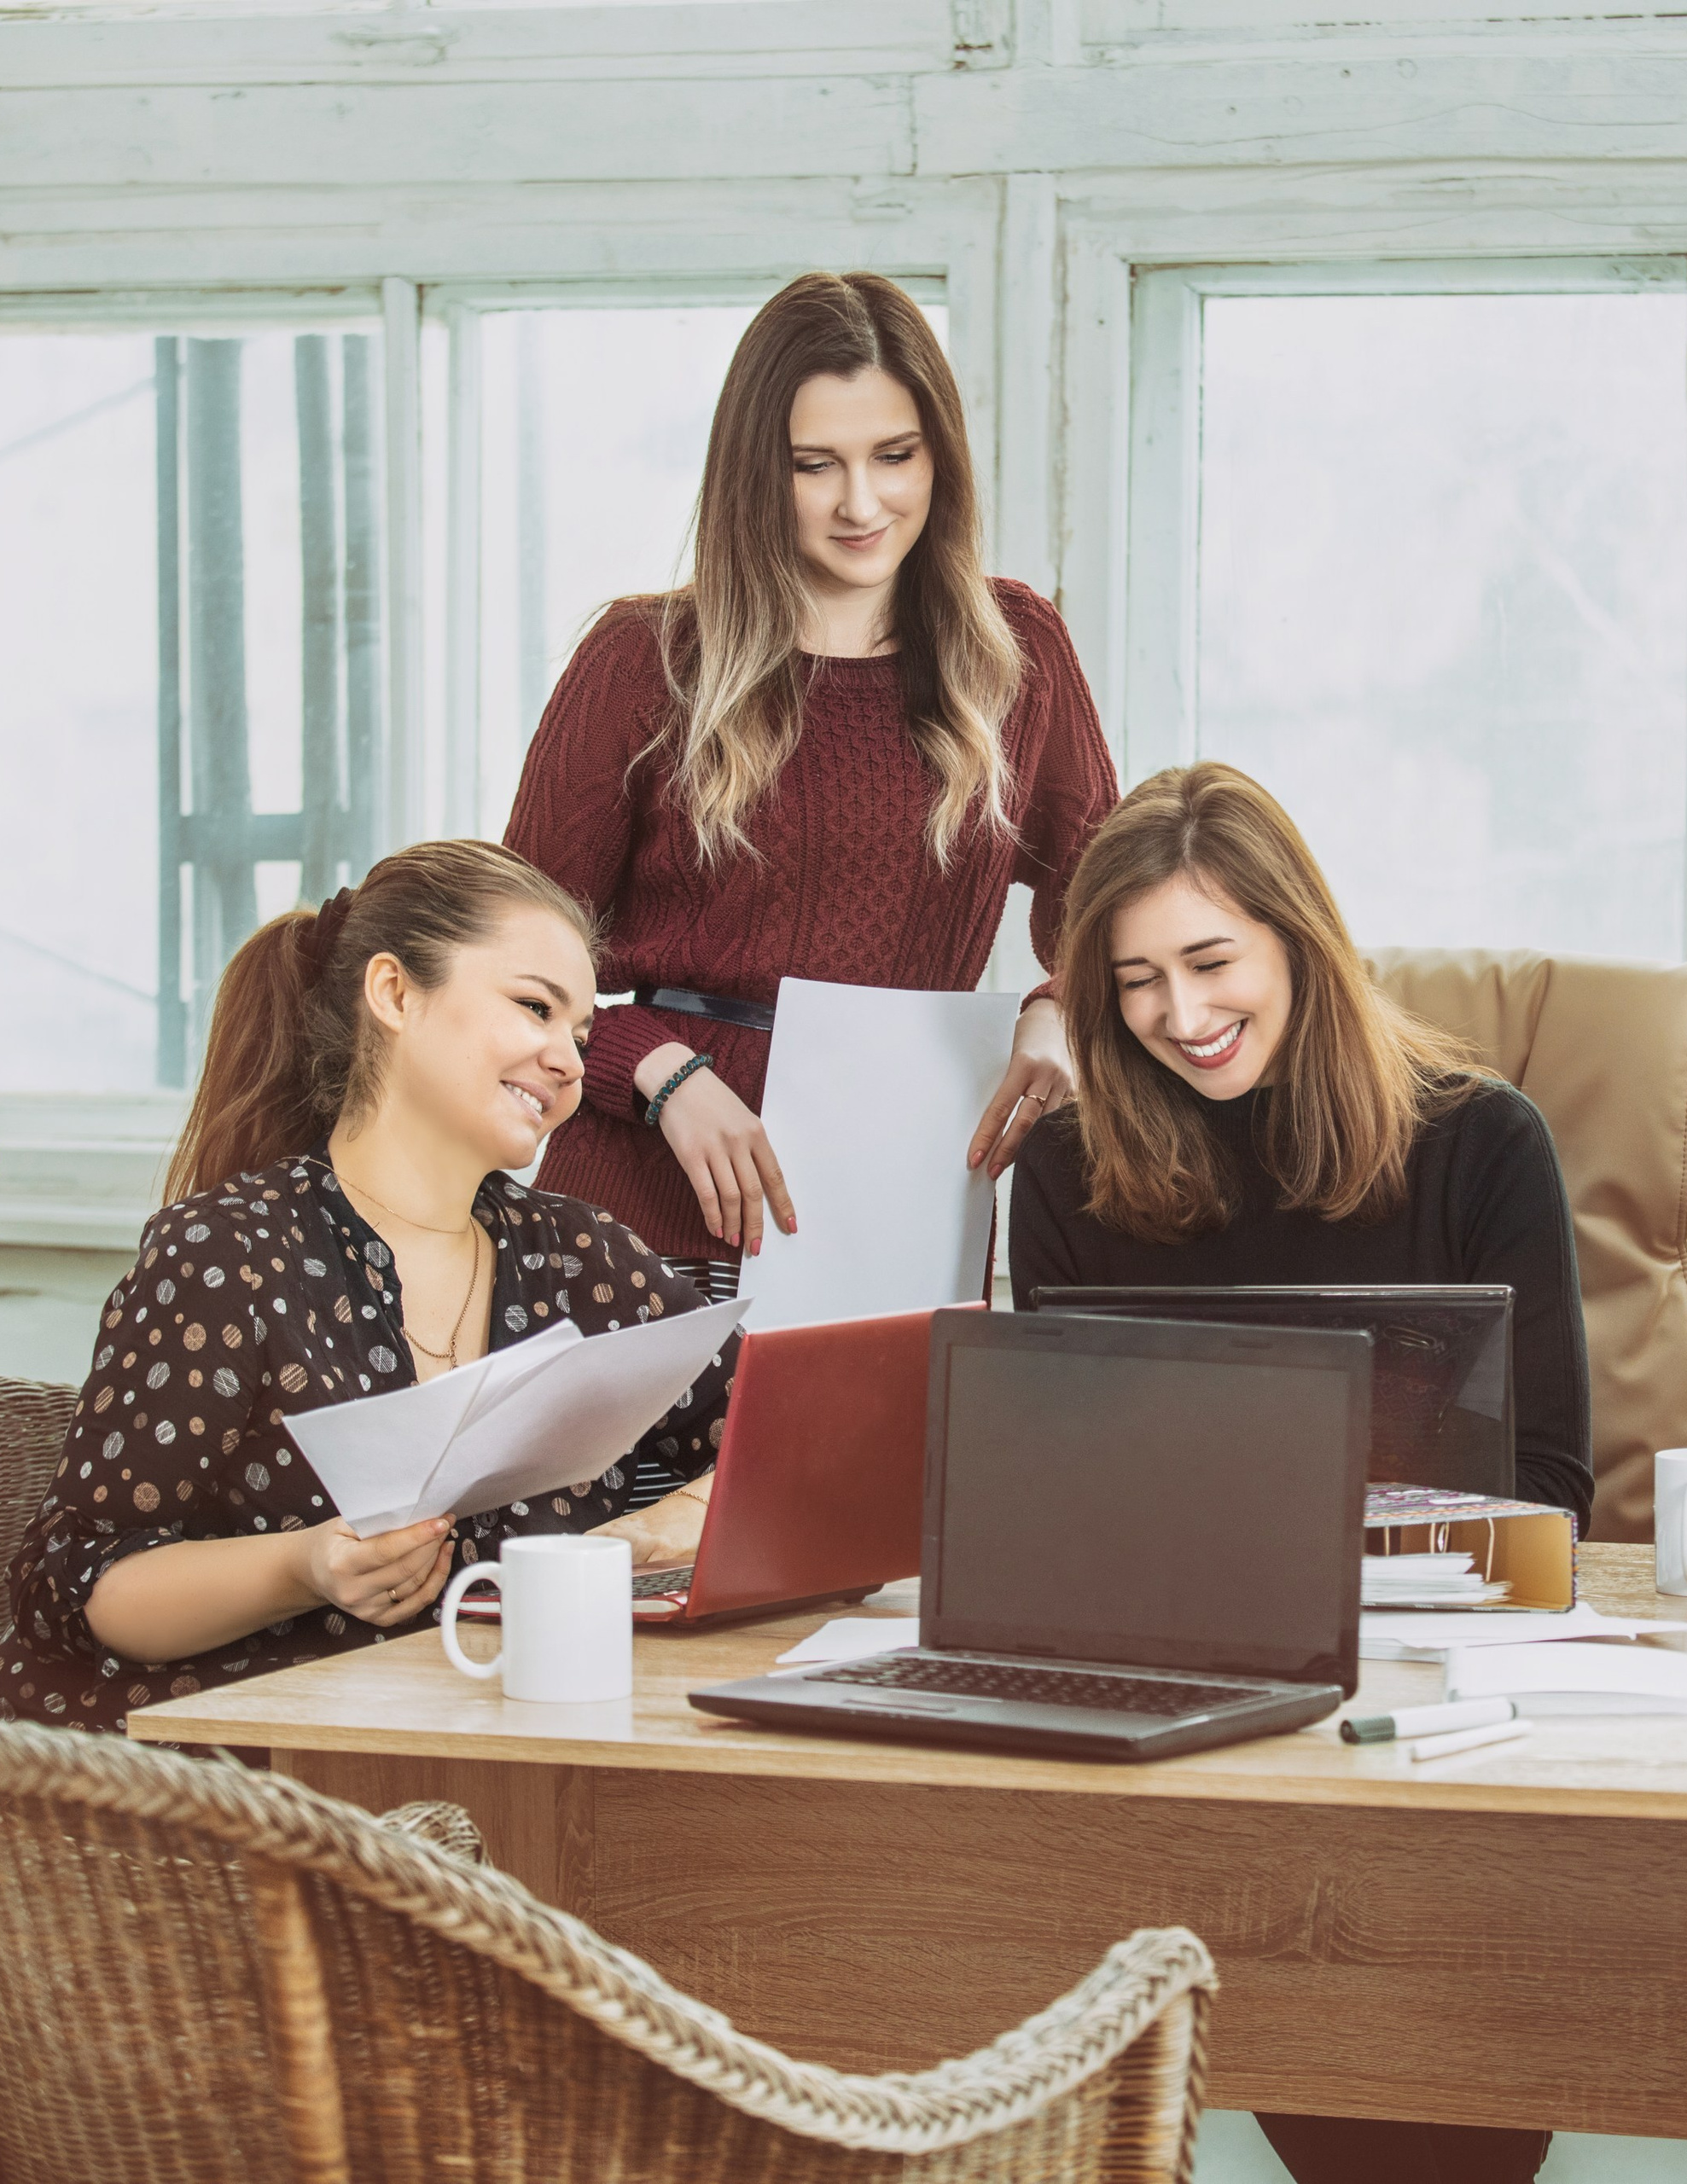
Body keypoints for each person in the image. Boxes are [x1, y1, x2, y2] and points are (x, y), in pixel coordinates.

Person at [1008, 761, 1591, 2184]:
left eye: (1212, 961)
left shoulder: (1480, 1141)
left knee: (1420, 2116)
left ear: (1297, 944)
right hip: (1168, 1713)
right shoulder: (1070, 1166)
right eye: (1137, 982)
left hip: (1418, 1710)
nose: (1181, 1016)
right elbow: (1061, 1509)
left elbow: (1552, 1496)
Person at [504, 270, 1117, 1378]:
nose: (861, 503)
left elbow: (1118, 914)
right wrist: (666, 1077)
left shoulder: (1014, 655)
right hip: (636, 1206)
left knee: (862, 1539)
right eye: (814, 463)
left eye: (895, 455)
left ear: (942, 457)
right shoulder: (642, 663)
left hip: (891, 1200)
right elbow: (503, 975)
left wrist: (1056, 1014)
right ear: (754, 471)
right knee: (616, 1551)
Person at [3, 842, 732, 1737]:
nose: (569, 1062)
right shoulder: (228, 1256)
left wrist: (648, 1533)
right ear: (393, 994)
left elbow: (772, 1432)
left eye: (579, 1037)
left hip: (520, 1759)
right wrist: (304, 1565)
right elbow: (75, 1585)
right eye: (534, 1007)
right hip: (265, 1791)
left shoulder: (581, 1256)